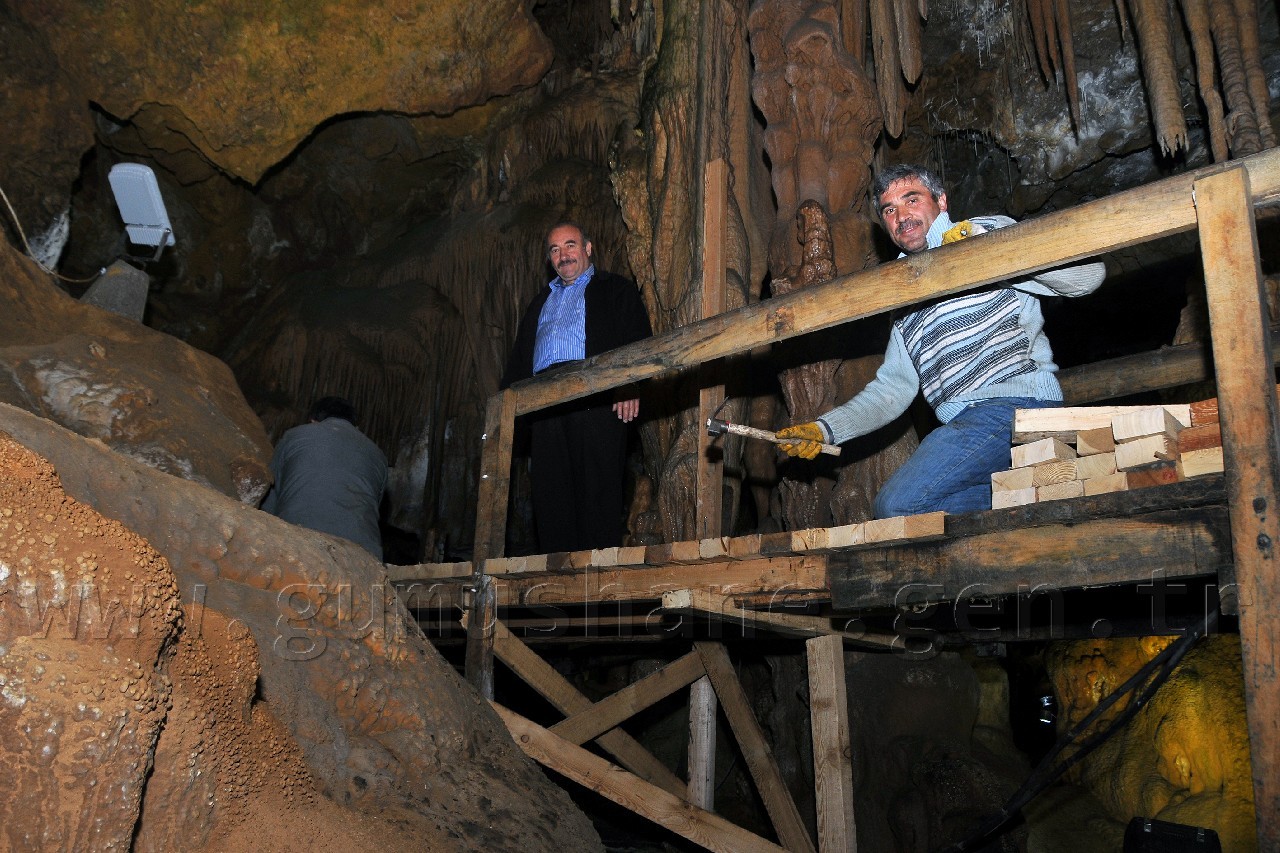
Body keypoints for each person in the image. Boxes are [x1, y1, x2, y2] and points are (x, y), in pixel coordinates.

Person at [777, 164, 1107, 517]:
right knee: (927, 509)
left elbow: (1089, 277)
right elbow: (893, 390)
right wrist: (826, 430)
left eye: (912, 200)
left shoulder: (986, 233)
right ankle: (1039, 502)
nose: (901, 216)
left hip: (1016, 404)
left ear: (942, 201)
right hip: (968, 425)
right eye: (889, 210)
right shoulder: (904, 300)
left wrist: (988, 245)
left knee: (897, 506)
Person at [501, 221, 653, 553]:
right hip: (544, 407)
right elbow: (520, 357)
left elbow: (637, 336)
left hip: (596, 399)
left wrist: (630, 384)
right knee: (551, 492)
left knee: (597, 487)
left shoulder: (614, 289)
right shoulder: (539, 302)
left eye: (570, 245)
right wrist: (507, 409)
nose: (563, 254)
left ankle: (596, 574)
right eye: (555, 249)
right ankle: (557, 571)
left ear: (587, 248)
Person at [262, 396, 388, 559]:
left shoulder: (294, 435)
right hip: (364, 553)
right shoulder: (378, 455)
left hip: (298, 541)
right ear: (356, 427)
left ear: (313, 421)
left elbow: (269, 498)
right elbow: (373, 506)